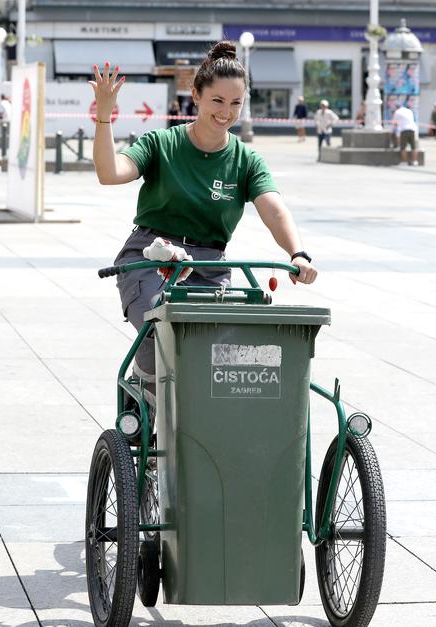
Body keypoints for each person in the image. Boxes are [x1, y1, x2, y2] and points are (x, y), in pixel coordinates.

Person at [89, 42, 317, 386]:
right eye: (218, 101)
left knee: (224, 352)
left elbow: (273, 208)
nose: (226, 112)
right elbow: (110, 173)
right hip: (152, 258)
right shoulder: (160, 144)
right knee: (162, 331)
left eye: (236, 103)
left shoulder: (246, 160)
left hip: (211, 268)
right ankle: (145, 385)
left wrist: (297, 253)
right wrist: (104, 116)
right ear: (196, 95)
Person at [392, 101, 419, 165]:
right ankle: (415, 161)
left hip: (404, 129)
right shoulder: (409, 111)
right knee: (414, 146)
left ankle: (404, 161)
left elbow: (394, 123)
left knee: (403, 147)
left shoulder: (397, 112)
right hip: (412, 129)